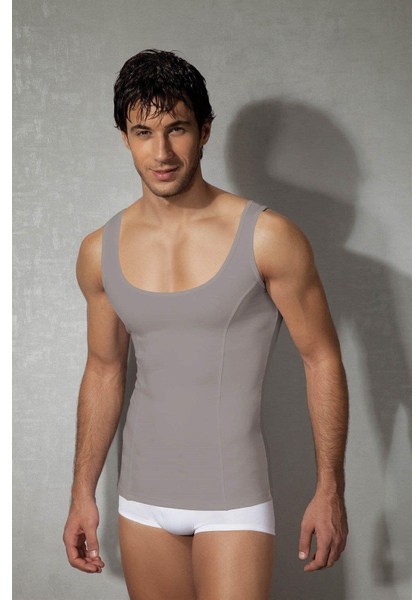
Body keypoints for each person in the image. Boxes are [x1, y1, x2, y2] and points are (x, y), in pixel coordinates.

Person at [63, 48, 349, 600]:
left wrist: (330, 489)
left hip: (232, 498)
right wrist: (81, 492)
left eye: (177, 129)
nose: (162, 152)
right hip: (141, 498)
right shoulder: (99, 251)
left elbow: (322, 358)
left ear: (204, 131)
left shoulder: (268, 237)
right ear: (125, 138)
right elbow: (103, 371)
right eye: (143, 132)